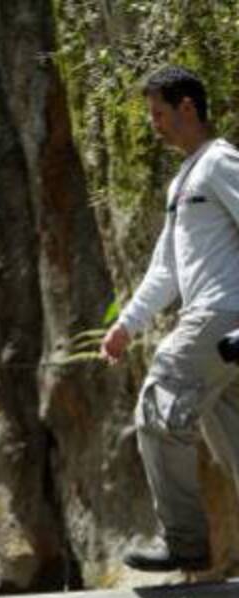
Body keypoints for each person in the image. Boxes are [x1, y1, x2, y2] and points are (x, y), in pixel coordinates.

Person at [100, 66, 239, 572]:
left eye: (159, 114)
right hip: (219, 322)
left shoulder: (219, 162)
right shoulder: (183, 181)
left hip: (223, 313)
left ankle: (185, 542)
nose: (154, 125)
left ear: (187, 108)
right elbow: (166, 269)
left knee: (158, 413)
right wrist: (127, 325)